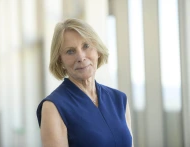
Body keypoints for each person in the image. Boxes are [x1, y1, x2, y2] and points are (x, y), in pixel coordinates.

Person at [36, 18, 133, 147]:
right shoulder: (53, 107)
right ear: (61, 61)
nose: (81, 57)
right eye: (70, 51)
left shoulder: (119, 100)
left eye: (86, 46)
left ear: (97, 51)